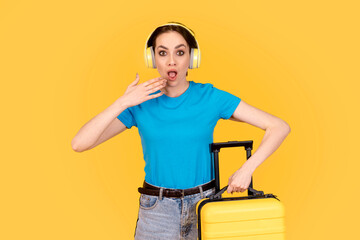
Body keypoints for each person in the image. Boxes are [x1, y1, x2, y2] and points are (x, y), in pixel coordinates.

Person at [71, 22, 291, 240]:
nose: (171, 61)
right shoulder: (141, 102)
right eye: (163, 53)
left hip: (204, 206)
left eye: (180, 52)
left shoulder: (210, 97)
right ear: (152, 58)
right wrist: (122, 102)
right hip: (157, 211)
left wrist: (247, 169)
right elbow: (79, 143)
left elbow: (279, 126)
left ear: (192, 58)